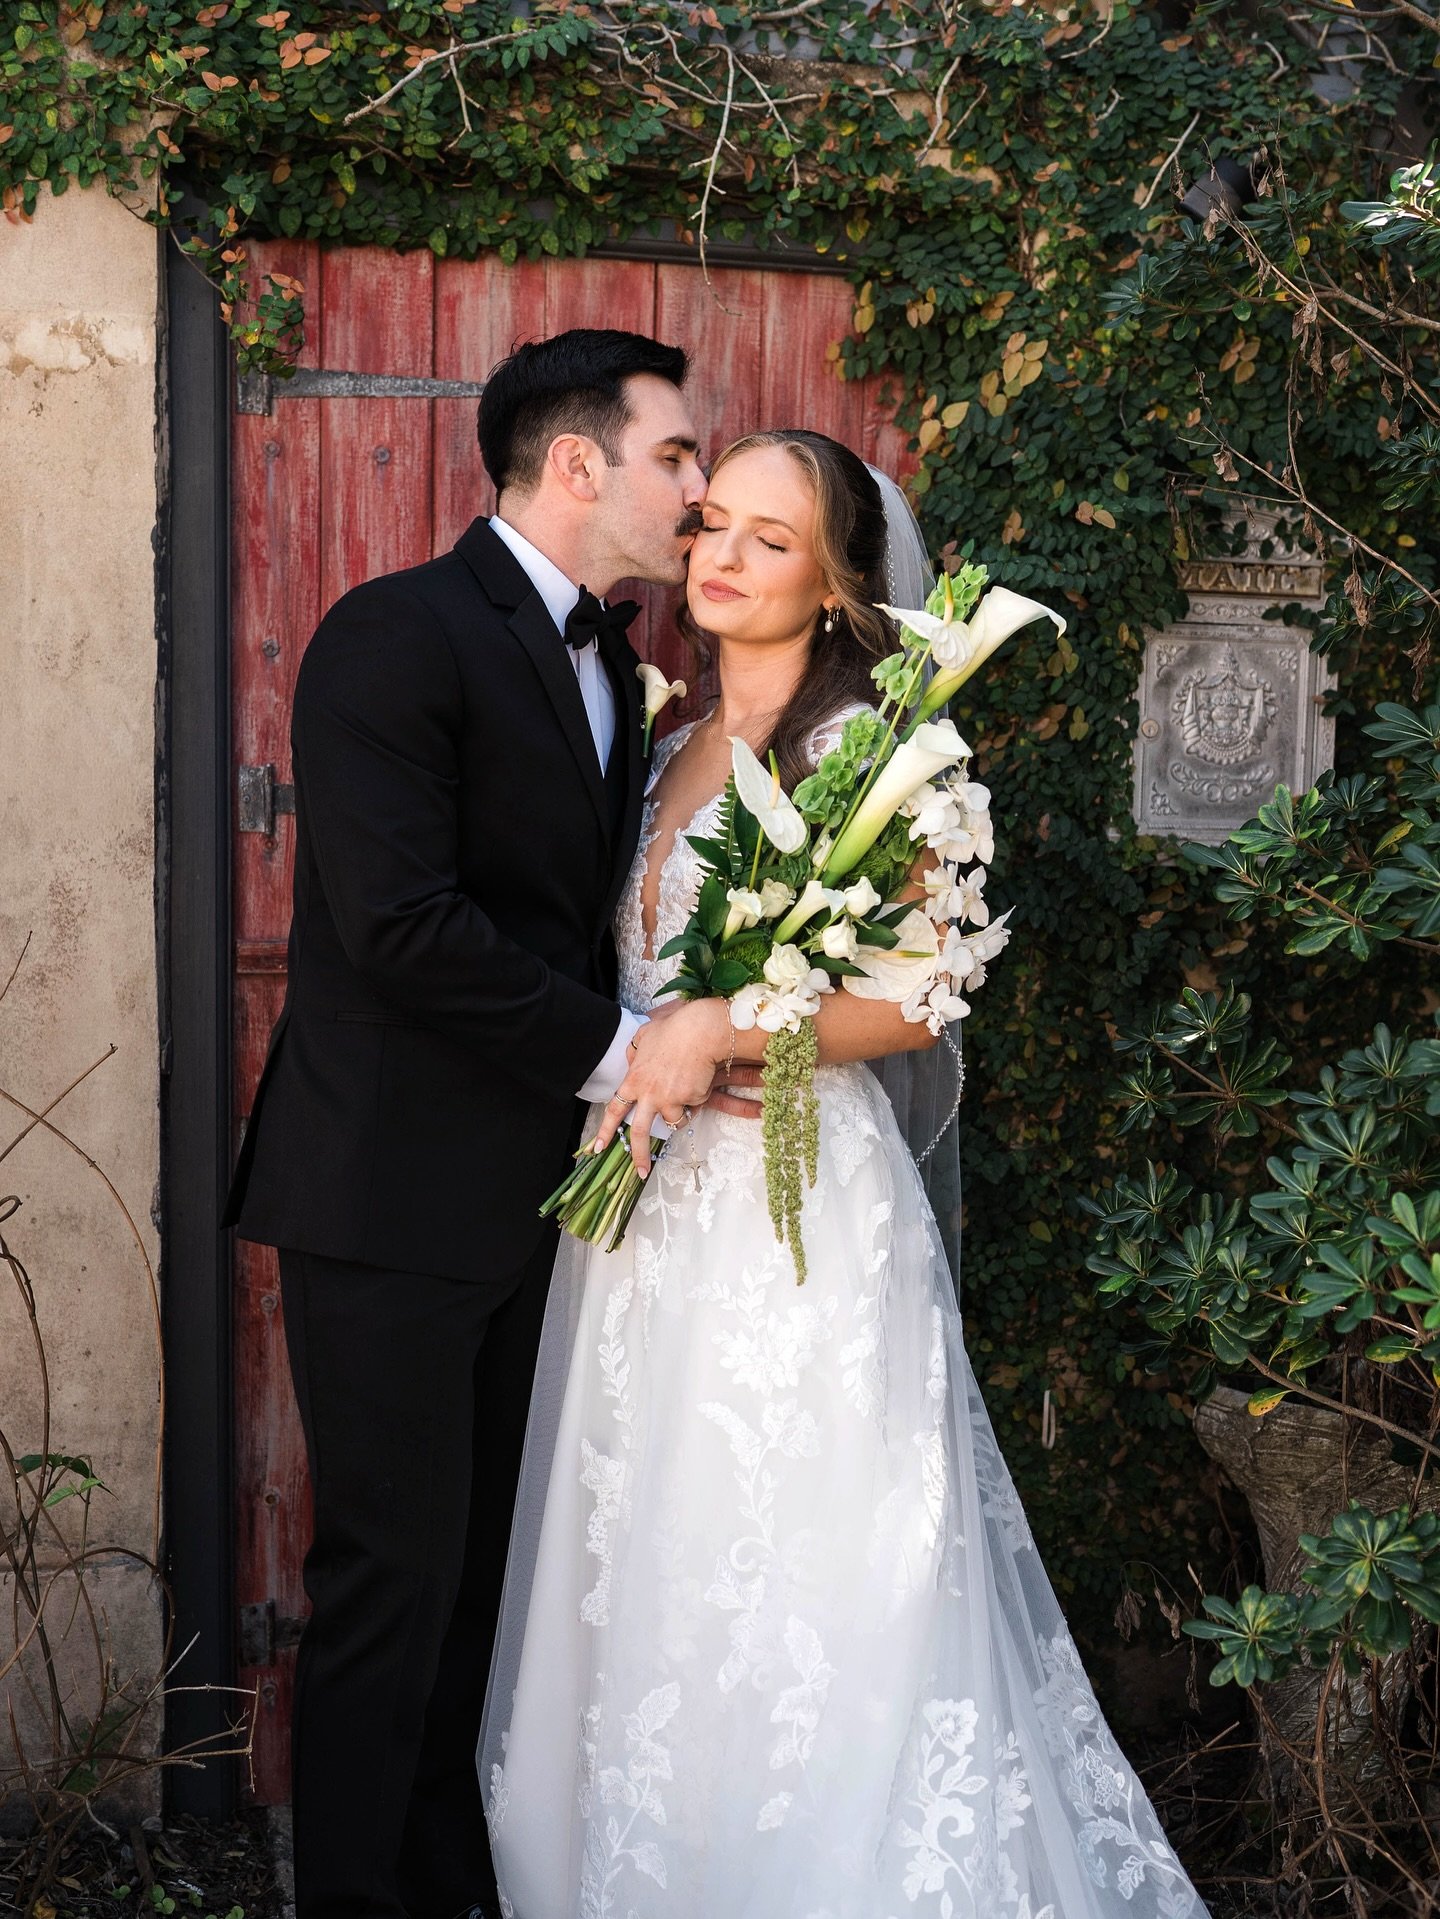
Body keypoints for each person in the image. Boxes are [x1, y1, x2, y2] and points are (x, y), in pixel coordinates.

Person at [478, 431, 1209, 1919]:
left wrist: (728, 1021)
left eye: (771, 539)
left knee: (820, 1570)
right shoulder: (653, 733)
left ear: (836, 584)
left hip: (797, 1224)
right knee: (653, 1570)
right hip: (645, 1223)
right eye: (712, 529)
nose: (723, 560)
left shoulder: (888, 751)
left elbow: (930, 991)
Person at [224, 329, 742, 1919]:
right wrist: (633, 1049)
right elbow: (400, 927)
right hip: (385, 1199)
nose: (700, 489)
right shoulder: (395, 635)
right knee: (388, 1587)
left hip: (543, 1205)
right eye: (676, 456)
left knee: (491, 1602)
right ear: (576, 463)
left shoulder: (617, 669)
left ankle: (457, 1886)